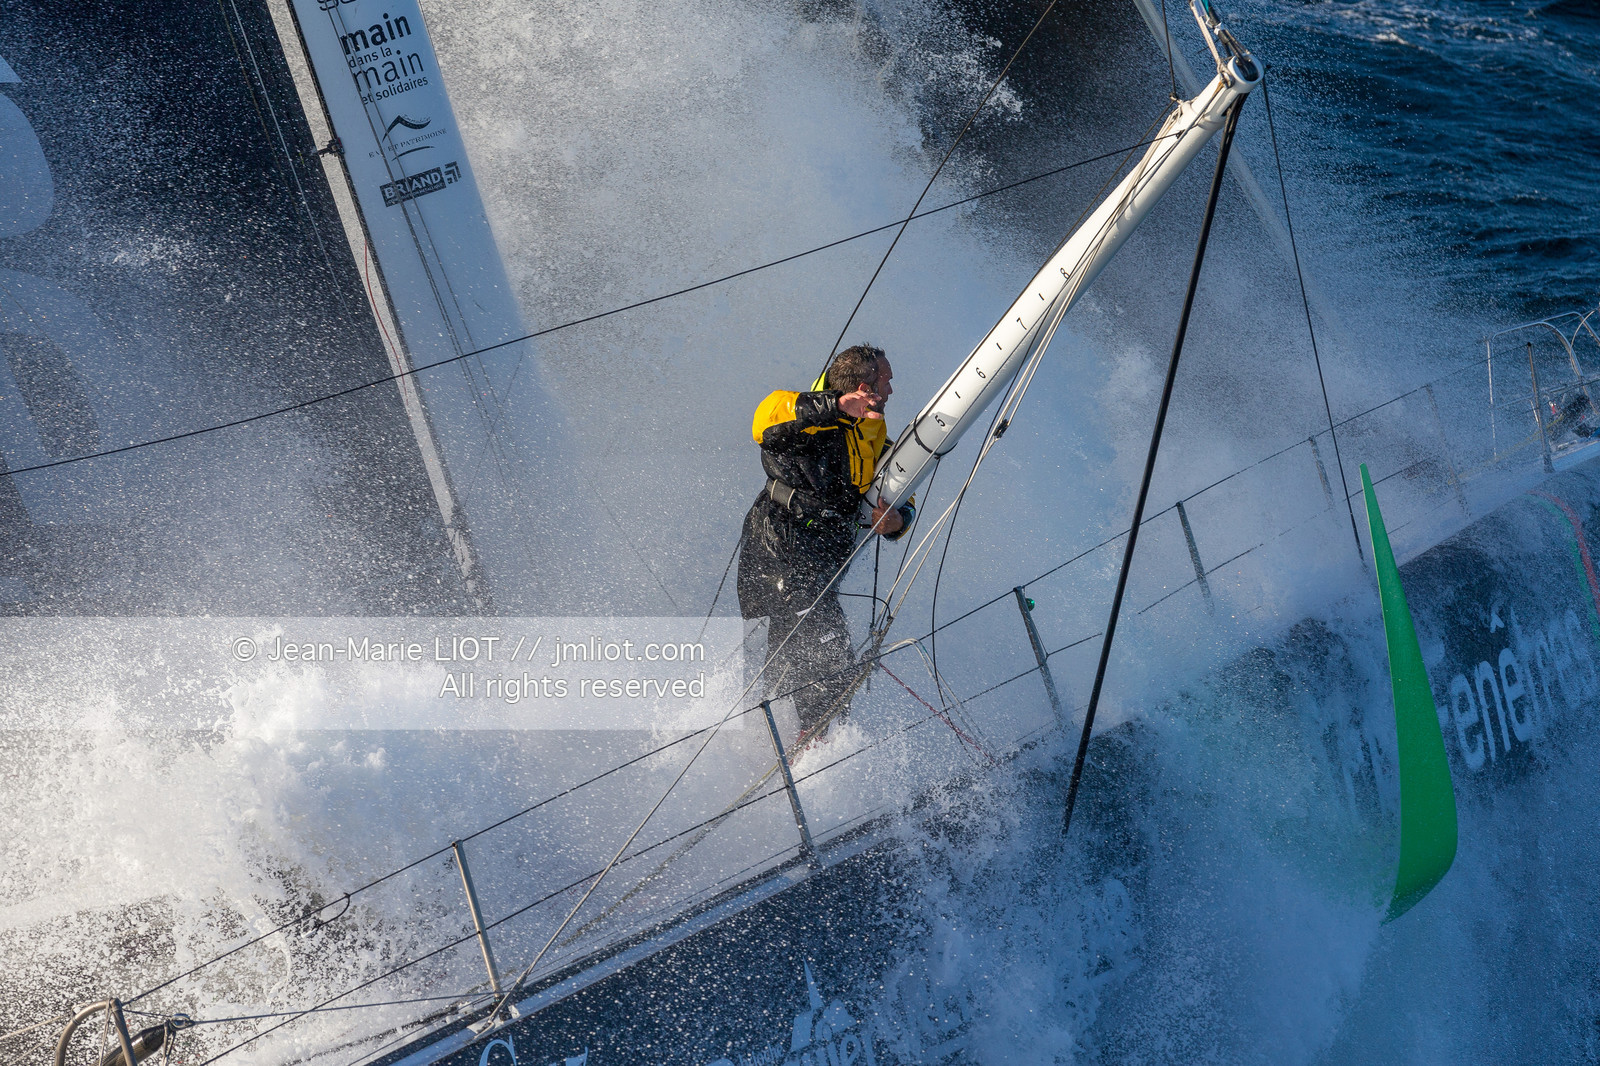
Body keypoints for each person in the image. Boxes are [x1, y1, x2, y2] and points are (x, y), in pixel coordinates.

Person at [737, 344, 915, 738]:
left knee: (792, 660)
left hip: (822, 560)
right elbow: (763, 421)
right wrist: (835, 405)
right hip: (779, 548)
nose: (890, 392)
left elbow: (902, 490)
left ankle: (774, 742)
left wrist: (900, 519)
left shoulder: (874, 436)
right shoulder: (810, 419)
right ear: (862, 388)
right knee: (827, 650)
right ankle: (811, 747)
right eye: (884, 382)